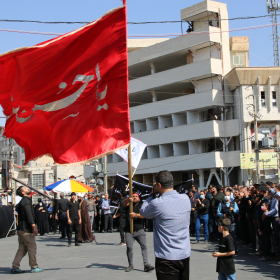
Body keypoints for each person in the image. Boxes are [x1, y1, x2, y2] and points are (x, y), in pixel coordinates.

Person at [140, 170, 191, 280]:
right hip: (184, 254)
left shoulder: (157, 203)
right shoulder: (185, 199)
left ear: (159, 185)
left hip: (166, 257)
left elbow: (143, 211)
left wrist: (152, 194)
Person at [11, 186, 44, 274]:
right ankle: (34, 266)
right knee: (32, 247)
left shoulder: (22, 202)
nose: (27, 189)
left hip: (21, 229)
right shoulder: (26, 201)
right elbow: (29, 215)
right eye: (25, 189)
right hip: (26, 229)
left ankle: (15, 266)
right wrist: (34, 226)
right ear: (23, 193)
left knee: (22, 249)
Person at [123, 193, 154, 273]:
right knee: (129, 248)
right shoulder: (129, 205)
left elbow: (144, 215)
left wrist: (135, 215)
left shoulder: (142, 206)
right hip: (129, 231)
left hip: (140, 230)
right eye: (133, 196)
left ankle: (146, 264)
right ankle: (131, 264)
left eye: (136, 196)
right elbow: (124, 204)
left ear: (139, 198)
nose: (134, 197)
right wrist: (127, 200)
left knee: (144, 247)